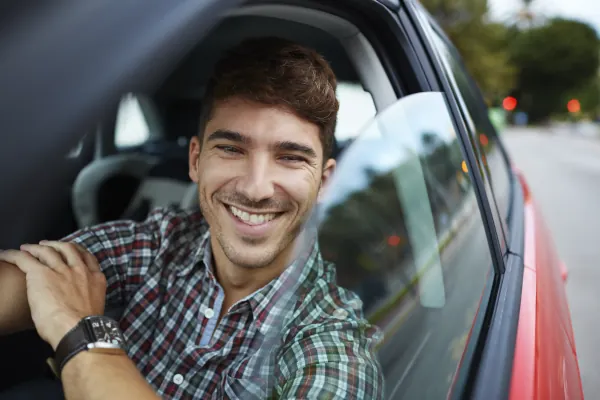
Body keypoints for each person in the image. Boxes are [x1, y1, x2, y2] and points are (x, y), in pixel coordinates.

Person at [0, 37, 383, 399]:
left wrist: (84, 334)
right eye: (232, 149)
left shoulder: (335, 349)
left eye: (291, 157)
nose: (255, 188)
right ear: (196, 160)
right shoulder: (161, 240)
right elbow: (24, 283)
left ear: (324, 182)